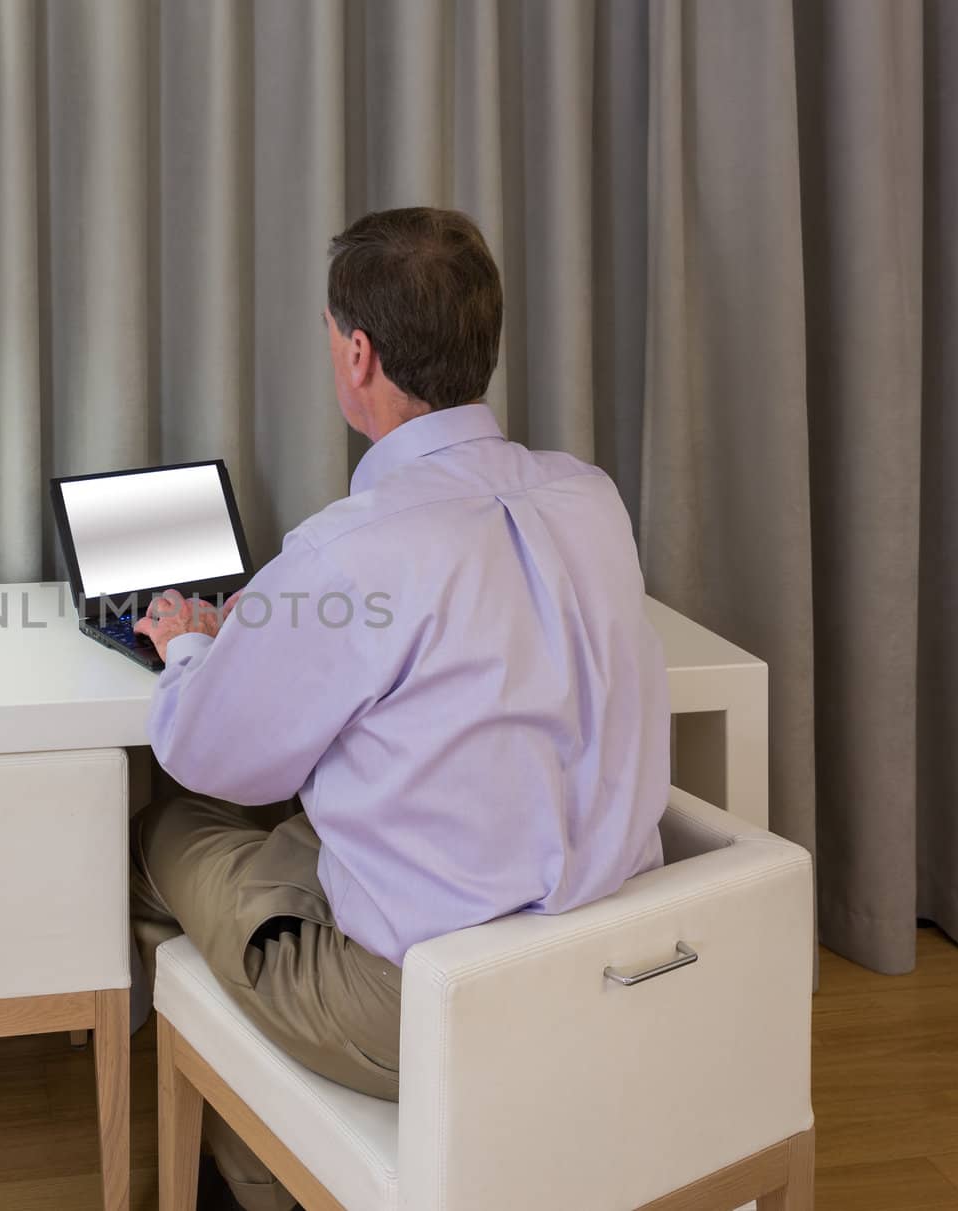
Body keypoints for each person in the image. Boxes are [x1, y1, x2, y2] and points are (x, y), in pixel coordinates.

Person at [130, 207, 670, 1211]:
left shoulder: (352, 547)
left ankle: (261, 1163)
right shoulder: (588, 496)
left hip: (426, 997)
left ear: (360, 352)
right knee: (302, 828)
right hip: (604, 957)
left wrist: (194, 642)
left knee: (167, 826)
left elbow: (207, 752)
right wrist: (281, 622)